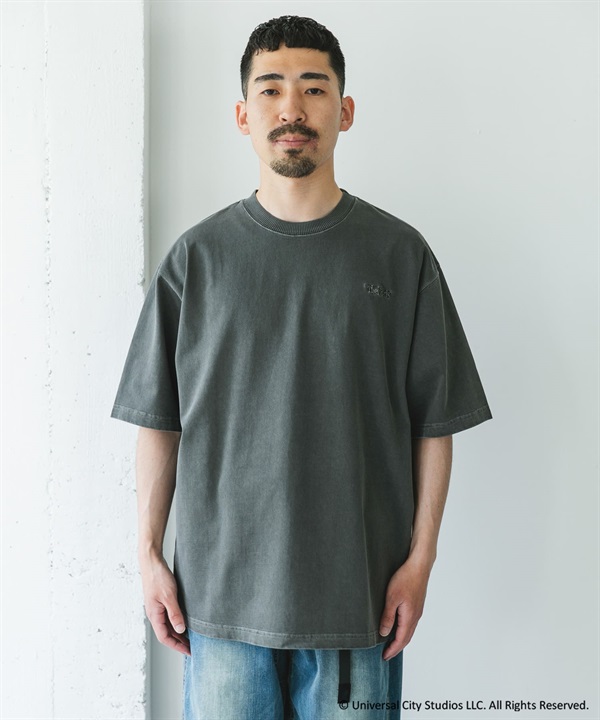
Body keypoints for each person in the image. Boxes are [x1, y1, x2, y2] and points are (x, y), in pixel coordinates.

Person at [111, 15, 492, 720]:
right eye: (271, 89)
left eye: (314, 88)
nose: (292, 108)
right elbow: (158, 420)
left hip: (359, 604)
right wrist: (148, 555)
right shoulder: (197, 261)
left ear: (344, 111)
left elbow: (434, 425)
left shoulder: (400, 256)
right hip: (219, 606)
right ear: (243, 115)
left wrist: (421, 563)